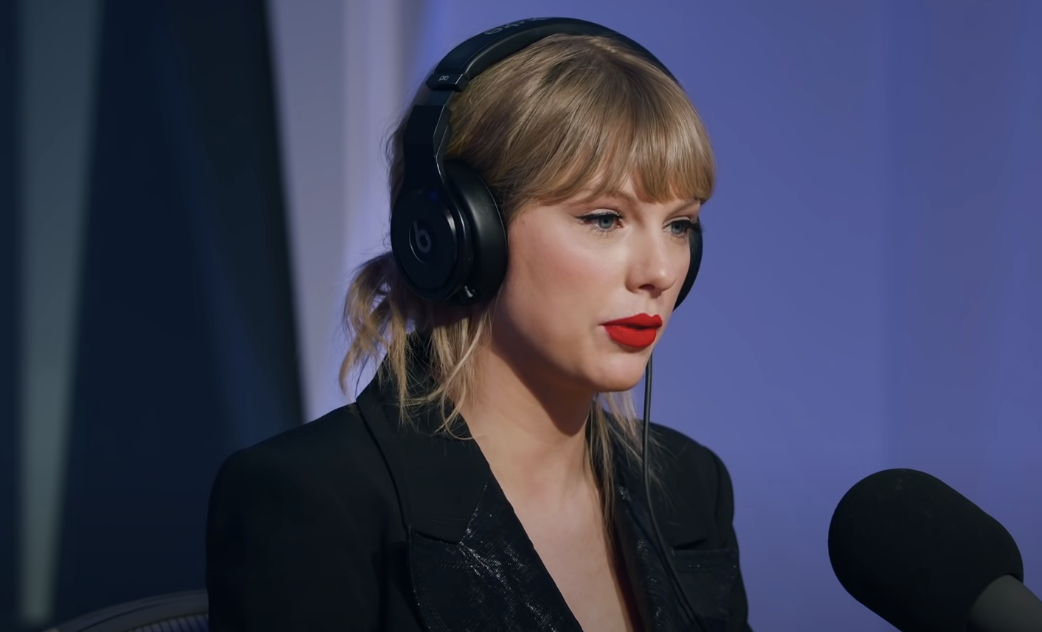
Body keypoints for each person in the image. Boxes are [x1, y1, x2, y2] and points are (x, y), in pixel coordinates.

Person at [205, 17, 750, 632]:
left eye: (680, 225)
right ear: (464, 235)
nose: (659, 271)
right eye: (603, 218)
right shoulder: (312, 501)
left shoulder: (689, 487)